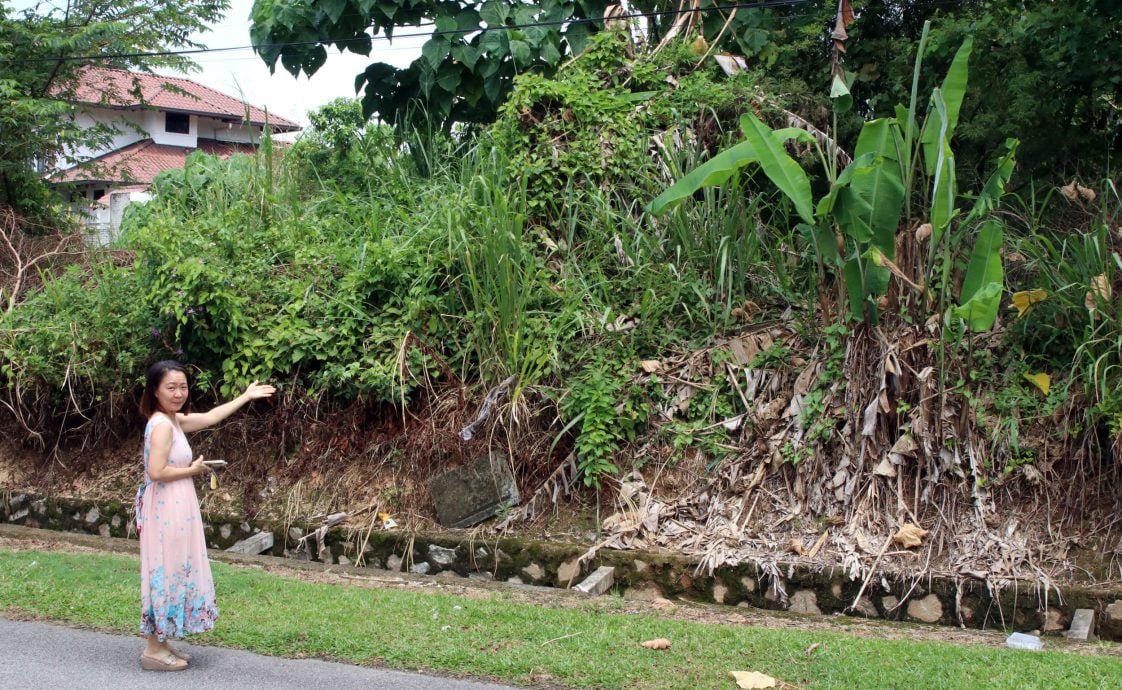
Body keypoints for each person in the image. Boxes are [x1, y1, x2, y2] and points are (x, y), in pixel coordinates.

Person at [134, 360, 275, 671]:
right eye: (170, 387)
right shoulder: (160, 426)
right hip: (165, 508)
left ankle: (162, 641)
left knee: (175, 569)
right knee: (167, 570)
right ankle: (153, 651)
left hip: (176, 506)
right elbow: (156, 471)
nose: (178, 393)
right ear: (155, 390)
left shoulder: (172, 421)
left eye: (183, 387)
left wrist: (245, 396)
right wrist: (193, 470)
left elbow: (211, 417)